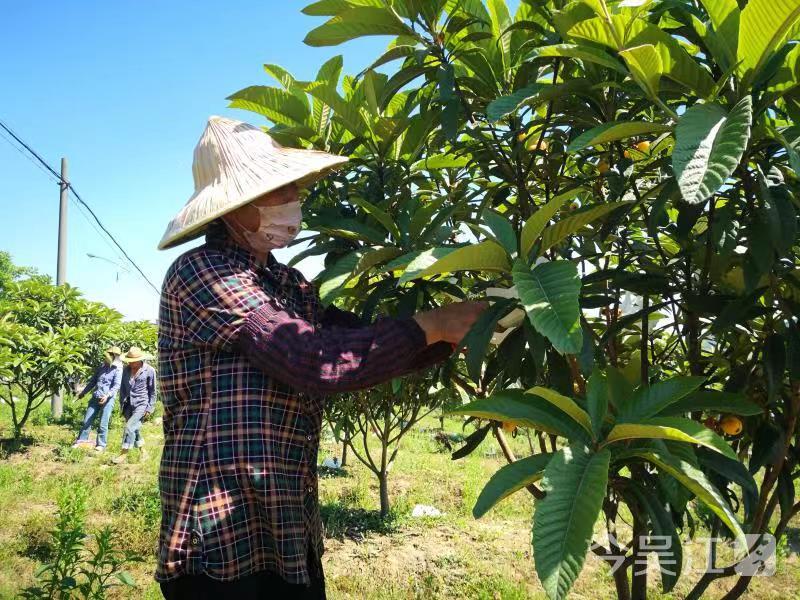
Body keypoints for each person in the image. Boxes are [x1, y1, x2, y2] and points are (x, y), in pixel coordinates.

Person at [154, 116, 486, 600]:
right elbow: (315, 362)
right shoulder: (202, 272)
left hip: (289, 528)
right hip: (219, 537)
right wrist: (433, 324)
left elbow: (358, 347)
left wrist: (463, 334)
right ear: (232, 208)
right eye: (275, 191)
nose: (291, 200)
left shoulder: (288, 285)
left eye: (290, 187)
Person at [111, 347, 157, 464]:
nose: (131, 363)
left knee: (129, 427)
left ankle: (123, 454)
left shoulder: (149, 370)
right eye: (129, 361)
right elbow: (122, 388)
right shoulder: (126, 370)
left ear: (140, 359)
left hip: (141, 403)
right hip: (128, 403)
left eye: (133, 361)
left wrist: (150, 407)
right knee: (135, 429)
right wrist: (122, 404)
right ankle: (144, 452)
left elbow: (152, 391)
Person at [72, 346, 123, 452]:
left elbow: (116, 386)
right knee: (87, 420)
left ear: (115, 356)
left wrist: (107, 395)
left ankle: (101, 444)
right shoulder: (101, 367)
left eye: (110, 354)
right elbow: (93, 381)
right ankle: (81, 441)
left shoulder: (118, 369)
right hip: (96, 397)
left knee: (103, 423)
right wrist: (83, 393)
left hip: (107, 400)